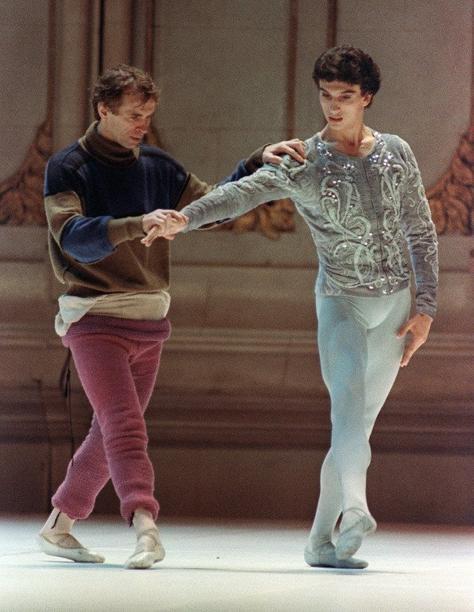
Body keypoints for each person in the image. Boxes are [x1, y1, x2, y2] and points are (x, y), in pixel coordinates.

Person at [148, 46, 439, 569]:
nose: (333, 106)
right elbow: (241, 194)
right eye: (325, 95)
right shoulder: (301, 158)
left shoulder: (397, 151)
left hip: (395, 305)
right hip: (342, 302)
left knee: (357, 429)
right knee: (347, 416)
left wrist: (426, 308)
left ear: (366, 98)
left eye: (344, 97)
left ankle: (318, 543)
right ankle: (356, 510)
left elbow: (420, 230)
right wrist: (183, 219)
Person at [39, 64, 306, 570]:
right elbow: (73, 236)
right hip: (94, 316)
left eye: (149, 115)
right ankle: (144, 523)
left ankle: (59, 525)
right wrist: (138, 223)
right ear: (103, 110)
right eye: (134, 115)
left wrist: (254, 163)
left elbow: (214, 207)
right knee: (123, 426)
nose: (143, 124)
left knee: (111, 429)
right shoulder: (68, 166)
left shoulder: (158, 166)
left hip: (149, 320)